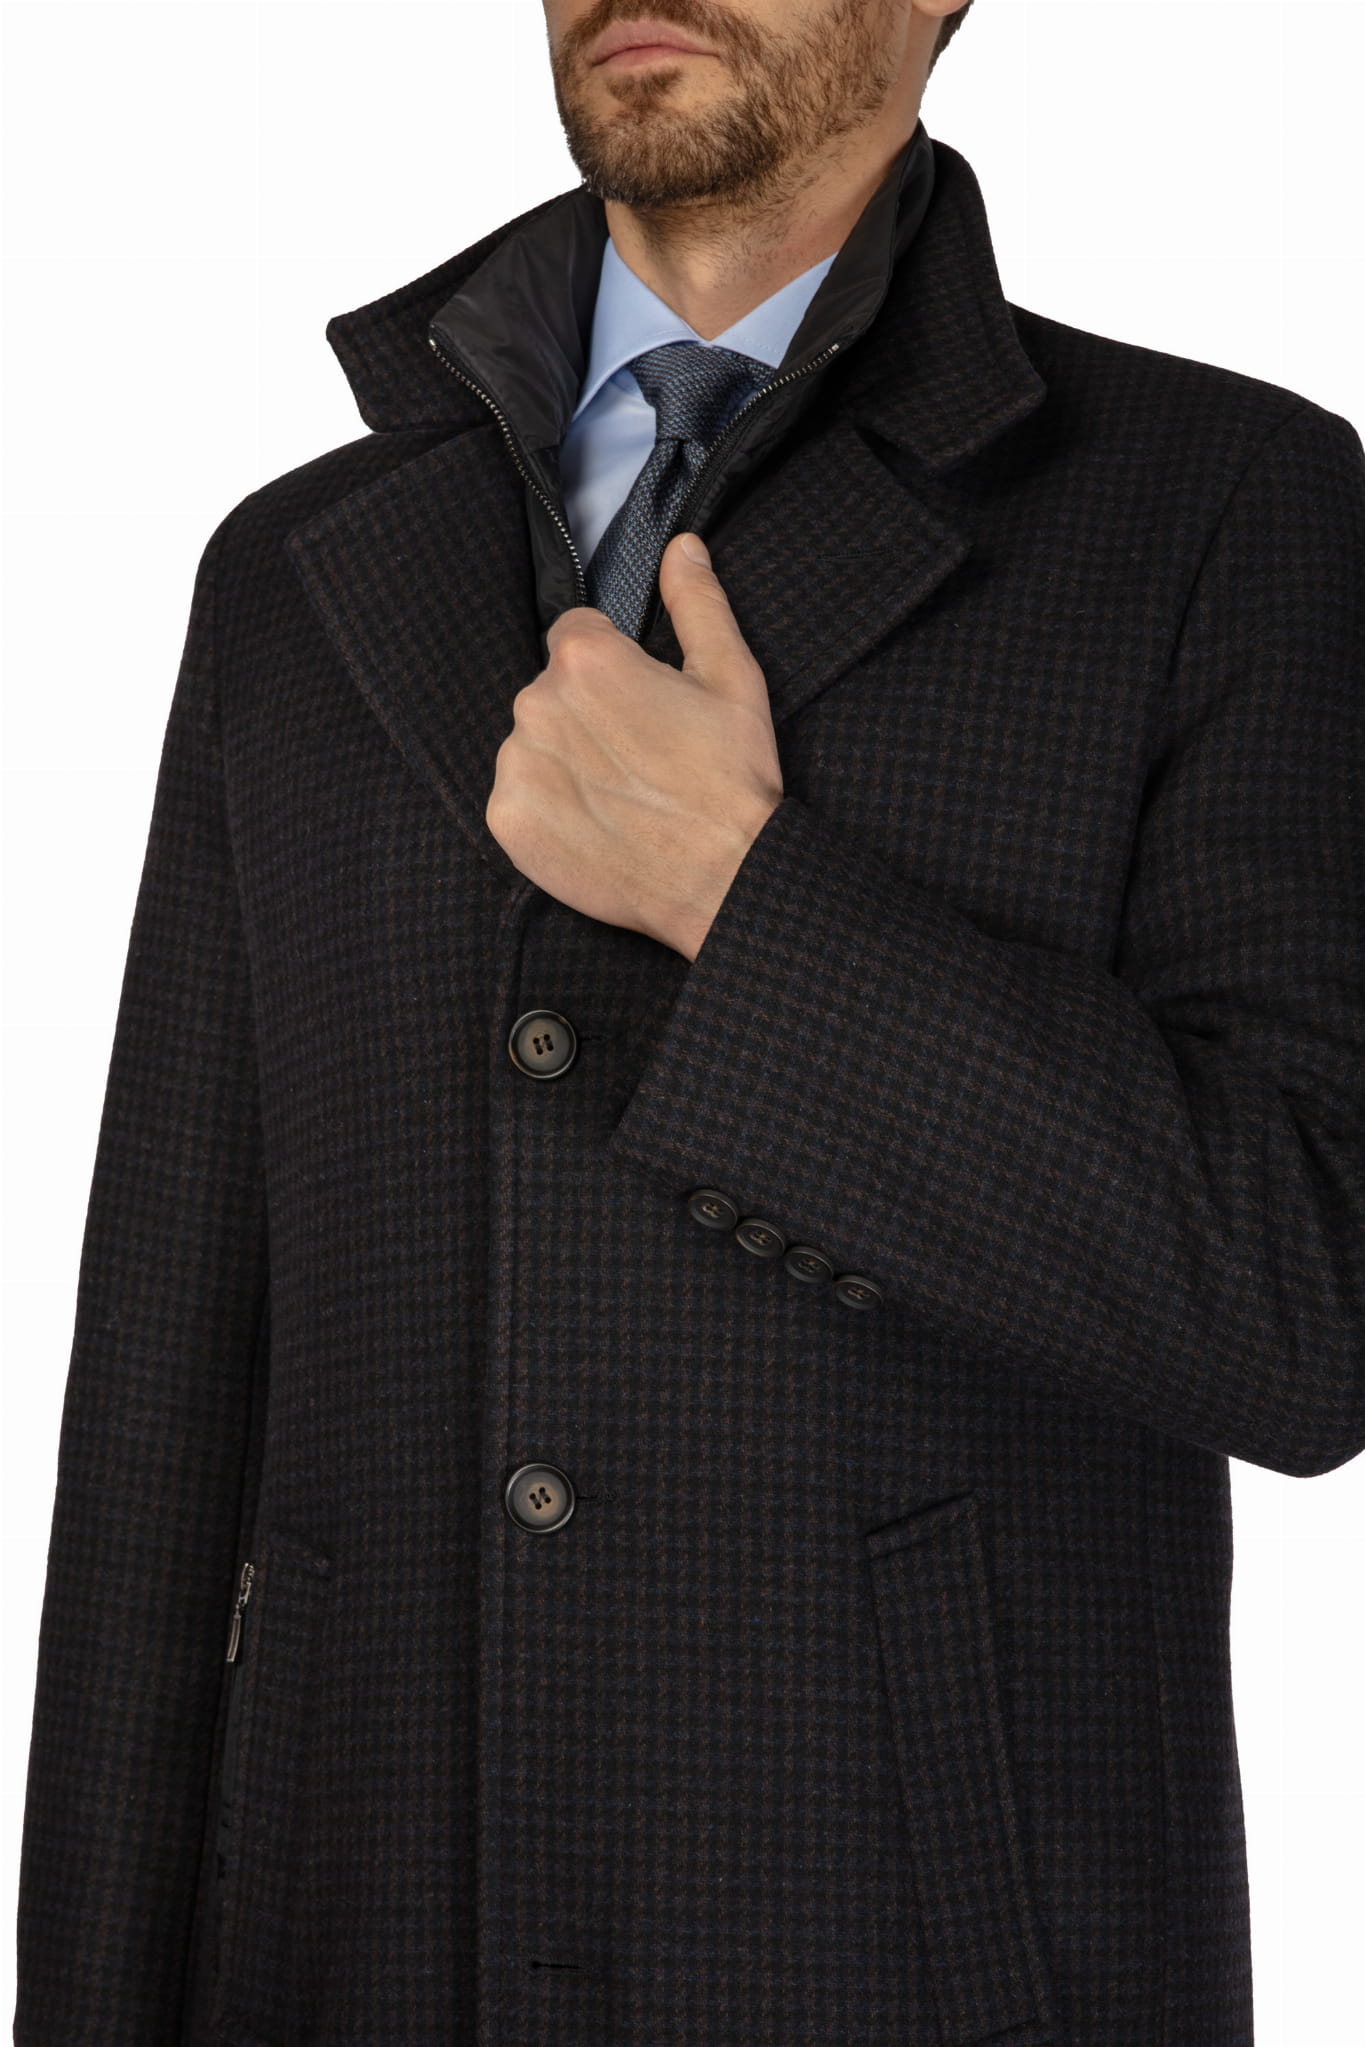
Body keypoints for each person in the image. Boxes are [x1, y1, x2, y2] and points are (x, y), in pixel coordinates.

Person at [13, 1, 1365, 2041]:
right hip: (350, 1938)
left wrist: (740, 904)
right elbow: (159, 1402)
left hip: (908, 1956)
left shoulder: (1214, 504)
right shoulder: (291, 571)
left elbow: (1302, 1298)